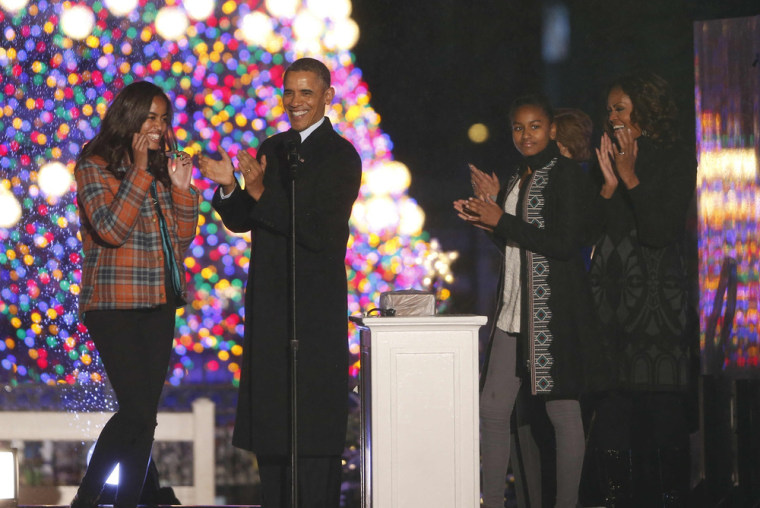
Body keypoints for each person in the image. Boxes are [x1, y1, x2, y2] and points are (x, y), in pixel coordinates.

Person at [198, 57, 362, 508]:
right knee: (273, 426)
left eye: (306, 92)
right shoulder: (272, 146)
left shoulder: (341, 155)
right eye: (289, 92)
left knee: (311, 431)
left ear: (328, 96)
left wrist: (261, 193)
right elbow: (243, 221)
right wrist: (230, 186)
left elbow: (320, 232)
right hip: (271, 301)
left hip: (314, 307)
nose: (295, 102)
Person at [455, 94, 598, 508]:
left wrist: (502, 218)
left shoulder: (567, 176)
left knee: (563, 413)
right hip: (513, 312)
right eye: (518, 127)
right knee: (493, 411)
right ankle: (494, 501)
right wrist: (489, 215)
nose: (526, 134)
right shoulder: (521, 175)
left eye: (535, 126)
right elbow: (517, 246)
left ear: (552, 129)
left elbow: (565, 244)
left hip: (552, 314)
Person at [71, 81, 199, 508]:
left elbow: (178, 243)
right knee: (139, 413)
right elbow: (110, 228)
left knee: (142, 415)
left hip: (159, 302)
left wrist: (182, 189)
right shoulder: (94, 165)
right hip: (112, 304)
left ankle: (118, 501)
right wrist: (141, 170)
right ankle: (90, 498)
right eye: (150, 117)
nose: (159, 127)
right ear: (129, 117)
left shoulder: (162, 168)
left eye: (164, 118)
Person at [585, 72, 697, 507]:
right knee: (611, 407)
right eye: (609, 109)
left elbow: (659, 231)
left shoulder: (673, 156)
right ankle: (614, 499)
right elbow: (597, 232)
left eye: (620, 109)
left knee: (662, 407)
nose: (611, 117)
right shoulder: (608, 157)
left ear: (644, 110)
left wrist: (631, 177)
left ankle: (670, 498)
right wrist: (609, 188)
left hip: (657, 304)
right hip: (611, 302)